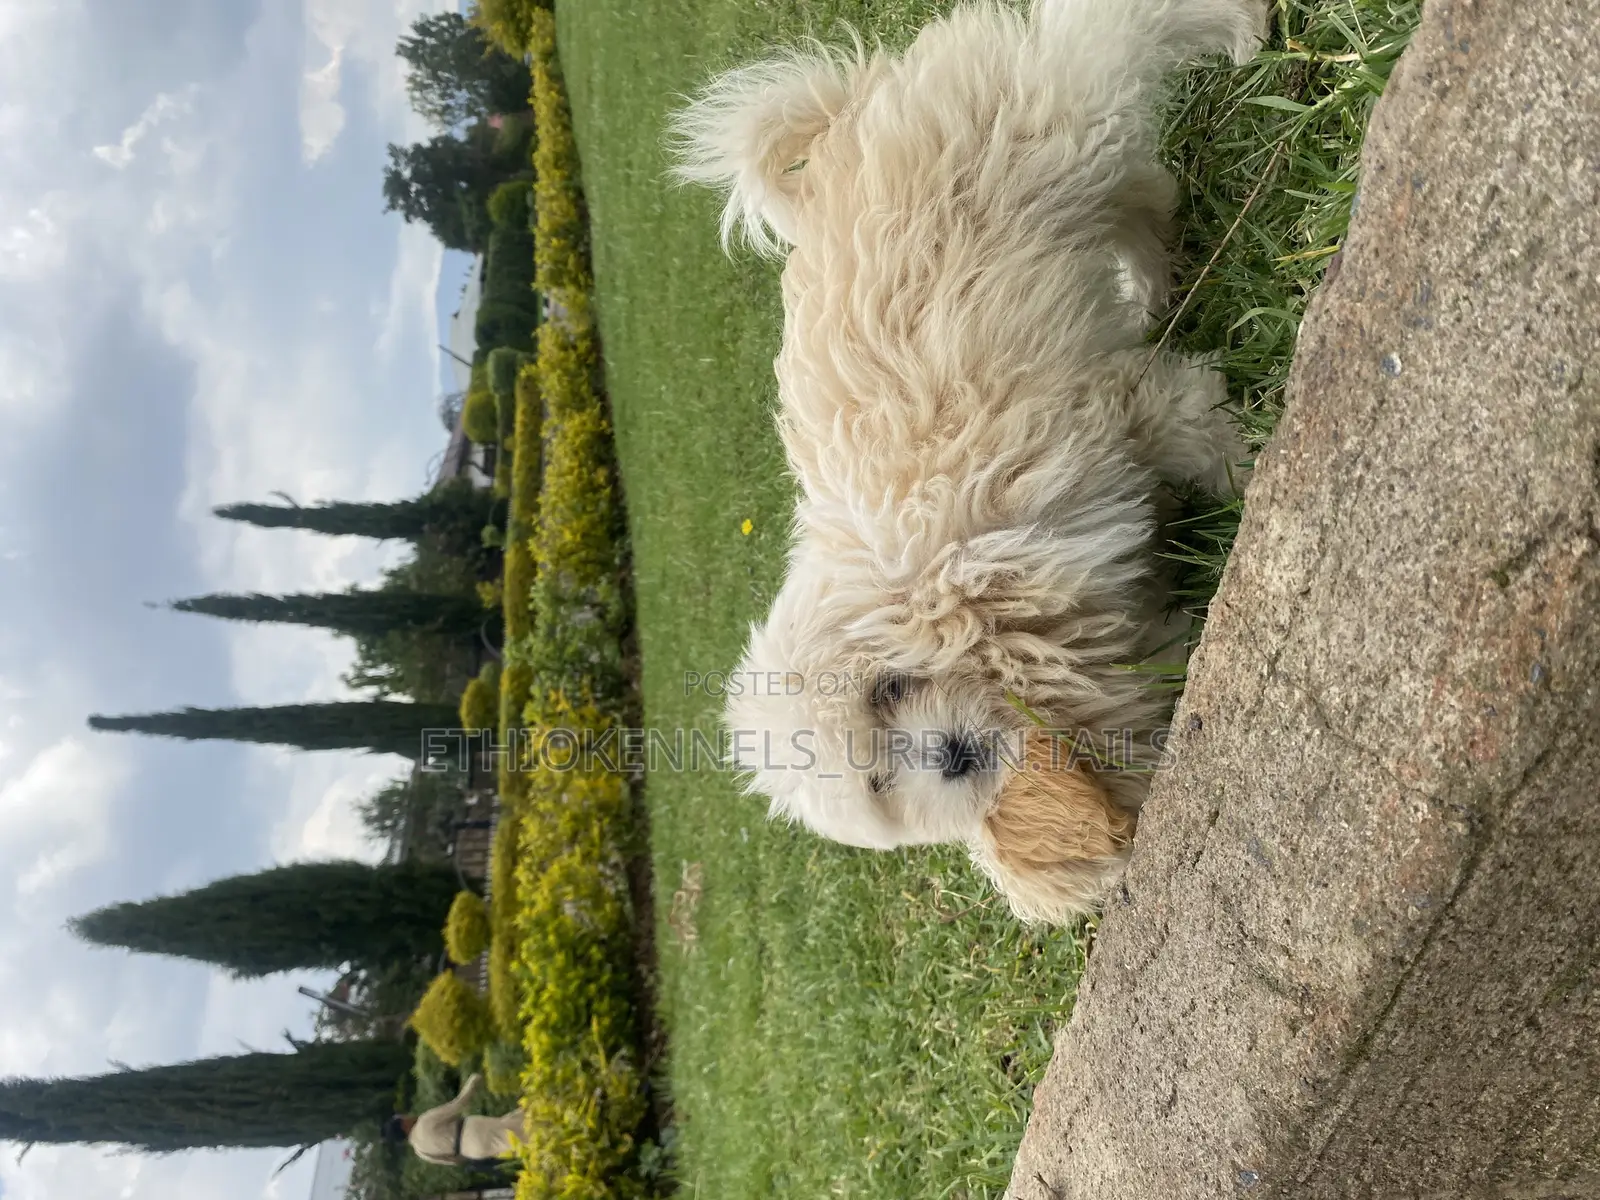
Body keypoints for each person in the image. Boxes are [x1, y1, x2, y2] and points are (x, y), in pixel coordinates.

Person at [384, 1072, 529, 1166]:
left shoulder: (421, 1152)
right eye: (404, 1117)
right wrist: (472, 1082)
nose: (408, 1116)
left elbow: (454, 1161)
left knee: (516, 1137)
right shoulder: (424, 1122)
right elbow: (457, 1105)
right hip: (473, 1132)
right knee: (522, 1133)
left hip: (473, 1152)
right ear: (403, 1125)